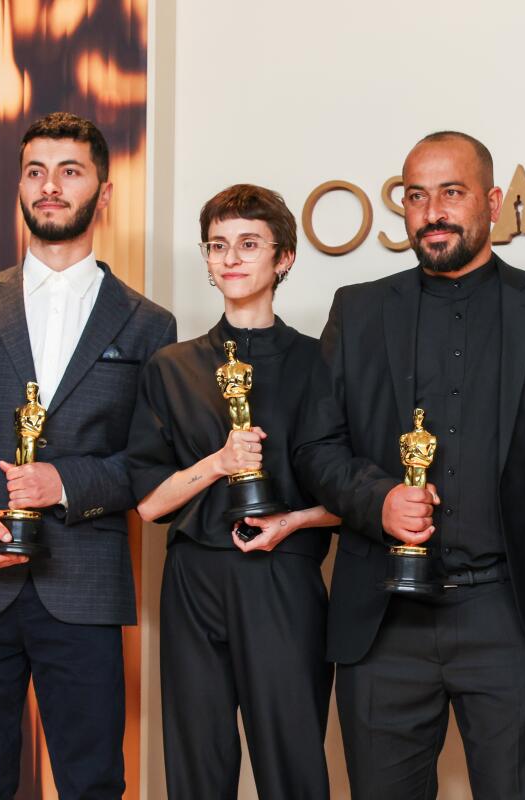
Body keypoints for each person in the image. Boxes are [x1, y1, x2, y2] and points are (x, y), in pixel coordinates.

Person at [0, 111, 176, 799]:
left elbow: (151, 464)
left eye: (70, 171)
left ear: (103, 194)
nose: (50, 186)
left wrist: (64, 483)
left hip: (83, 587)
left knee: (92, 783)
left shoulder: (147, 323)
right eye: (35, 171)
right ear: (20, 186)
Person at [296, 131, 525, 799]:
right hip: (382, 621)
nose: (432, 212)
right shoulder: (359, 310)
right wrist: (378, 500)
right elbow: (316, 447)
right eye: (416, 196)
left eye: (451, 193)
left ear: (490, 200)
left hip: (510, 617)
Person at [127, 184, 335, 799]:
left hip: (283, 576)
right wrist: (219, 462)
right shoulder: (172, 366)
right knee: (195, 762)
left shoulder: (321, 364)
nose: (231, 258)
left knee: (291, 759)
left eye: (248, 244)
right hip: (192, 579)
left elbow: (356, 495)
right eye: (218, 246)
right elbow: (148, 503)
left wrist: (292, 522)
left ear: (285, 258)